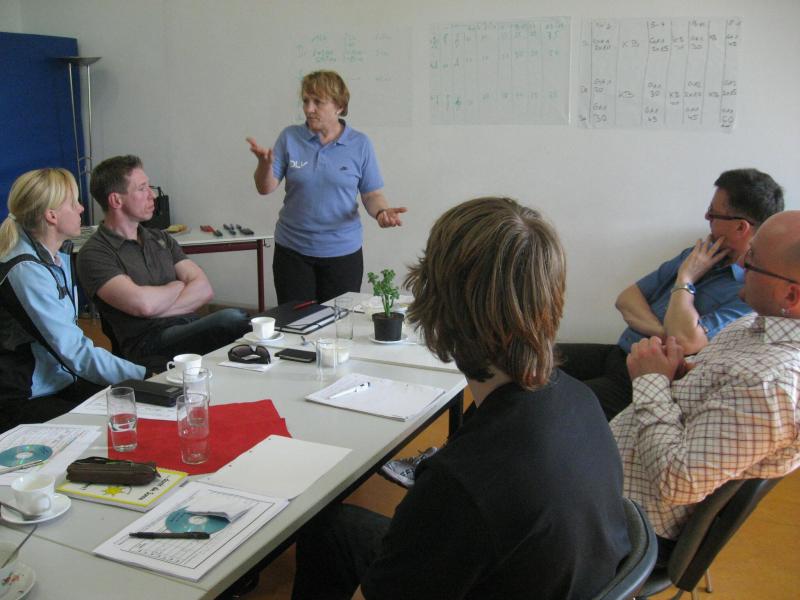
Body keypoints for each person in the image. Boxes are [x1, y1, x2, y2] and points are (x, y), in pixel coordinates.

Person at [291, 197, 631, 600]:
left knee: (320, 529)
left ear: (436, 305)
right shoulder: (580, 399)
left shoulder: (460, 485)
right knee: (329, 529)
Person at [611, 210, 800, 561]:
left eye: (753, 261)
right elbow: (711, 395)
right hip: (608, 480)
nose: (740, 263)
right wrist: (680, 371)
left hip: (629, 522)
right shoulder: (752, 325)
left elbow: (676, 482)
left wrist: (651, 381)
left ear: (791, 296)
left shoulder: (771, 386)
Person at [559, 168, 784, 420]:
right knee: (532, 361)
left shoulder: (750, 291)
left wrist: (685, 280)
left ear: (741, 227)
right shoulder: (697, 254)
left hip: (641, 382)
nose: (706, 217)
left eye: (713, 214)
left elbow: (687, 342)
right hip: (619, 352)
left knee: (551, 402)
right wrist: (666, 335)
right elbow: (626, 300)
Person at [0, 168, 144, 432]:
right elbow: (74, 351)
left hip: (58, 381)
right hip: (22, 396)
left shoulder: (56, 255)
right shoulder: (25, 270)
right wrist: (144, 375)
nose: (81, 208)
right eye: (73, 202)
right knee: (114, 426)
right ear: (51, 216)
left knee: (132, 407)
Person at [247, 70, 407, 304]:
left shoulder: (360, 144)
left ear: (339, 106)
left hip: (342, 252)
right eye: (305, 101)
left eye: (317, 102)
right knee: (295, 320)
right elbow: (265, 187)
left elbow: (372, 194)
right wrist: (264, 165)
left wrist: (382, 213)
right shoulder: (290, 137)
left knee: (340, 321)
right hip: (292, 251)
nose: (308, 109)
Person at [76, 155, 250, 371]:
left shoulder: (160, 238)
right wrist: (178, 286)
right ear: (116, 200)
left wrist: (155, 308)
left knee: (249, 333)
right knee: (233, 320)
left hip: (187, 326)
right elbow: (143, 305)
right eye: (142, 189)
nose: (152, 195)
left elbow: (204, 290)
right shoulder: (95, 253)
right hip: (146, 343)